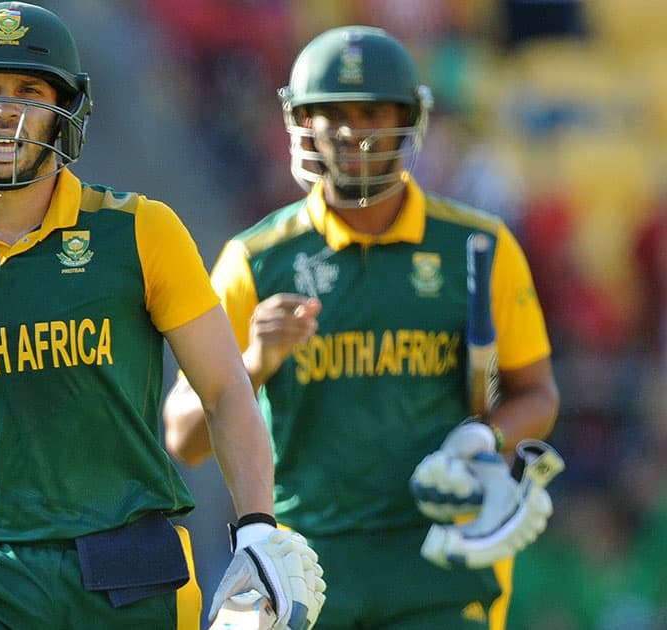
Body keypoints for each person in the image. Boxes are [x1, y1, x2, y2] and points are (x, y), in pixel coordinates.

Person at [0, 3, 324, 629]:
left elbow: (224, 392)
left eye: (28, 91)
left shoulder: (141, 230)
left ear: (66, 112)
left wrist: (256, 528)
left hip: (130, 567)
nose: (4, 109)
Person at [163, 25, 560, 630]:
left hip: (441, 562)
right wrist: (253, 362)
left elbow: (538, 394)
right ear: (302, 123)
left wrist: (481, 442)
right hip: (307, 565)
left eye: (372, 111)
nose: (351, 130)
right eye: (332, 113)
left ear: (408, 118)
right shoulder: (257, 258)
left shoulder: (479, 246)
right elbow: (182, 437)